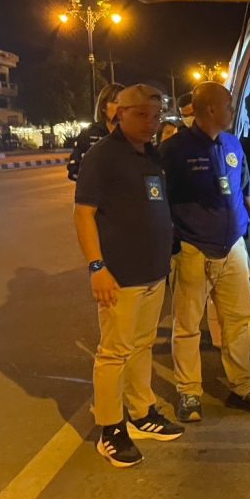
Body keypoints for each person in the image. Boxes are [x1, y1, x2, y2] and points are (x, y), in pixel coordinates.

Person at [73, 84, 185, 467]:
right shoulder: (102, 156)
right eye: (141, 115)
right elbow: (83, 214)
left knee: (141, 346)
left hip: (153, 271)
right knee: (114, 353)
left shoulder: (151, 154)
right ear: (119, 113)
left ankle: (142, 413)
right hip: (119, 274)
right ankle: (110, 429)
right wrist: (97, 267)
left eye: (156, 116)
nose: (151, 123)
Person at [159, 81, 250, 422]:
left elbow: (247, 188)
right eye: (228, 104)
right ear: (210, 109)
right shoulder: (174, 150)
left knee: (237, 322)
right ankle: (189, 393)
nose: (232, 110)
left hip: (234, 247)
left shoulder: (232, 144)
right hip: (193, 250)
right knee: (187, 326)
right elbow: (160, 200)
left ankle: (243, 387)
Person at [67, 82, 125, 181]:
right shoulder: (89, 135)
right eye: (116, 102)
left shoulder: (134, 135)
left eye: (124, 103)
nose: (121, 107)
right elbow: (74, 170)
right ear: (103, 107)